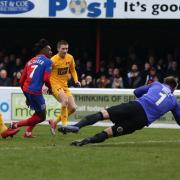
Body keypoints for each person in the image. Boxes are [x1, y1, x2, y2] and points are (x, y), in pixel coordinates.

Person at [58, 76, 180, 146]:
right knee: (111, 132)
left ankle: (77, 126)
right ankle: (89, 140)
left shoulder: (157, 84)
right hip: (142, 120)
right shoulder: (174, 101)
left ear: (165, 82)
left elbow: (137, 91)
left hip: (136, 106)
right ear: (174, 88)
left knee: (102, 114)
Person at [10, 39, 52, 138]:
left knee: (38, 113)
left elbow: (21, 81)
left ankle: (28, 132)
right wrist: (51, 88)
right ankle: (15, 125)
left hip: (27, 90)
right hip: (36, 92)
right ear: (43, 50)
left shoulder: (30, 61)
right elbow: (46, 79)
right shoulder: (47, 61)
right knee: (42, 116)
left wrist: (27, 97)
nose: (51, 52)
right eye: (49, 50)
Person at [48, 40, 81, 135]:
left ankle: (54, 123)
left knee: (73, 108)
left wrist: (76, 80)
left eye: (66, 48)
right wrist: (45, 86)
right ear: (58, 49)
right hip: (54, 85)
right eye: (63, 48)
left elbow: (73, 70)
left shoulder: (70, 58)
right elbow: (45, 74)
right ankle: (65, 126)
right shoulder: (53, 60)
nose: (65, 50)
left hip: (64, 86)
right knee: (65, 101)